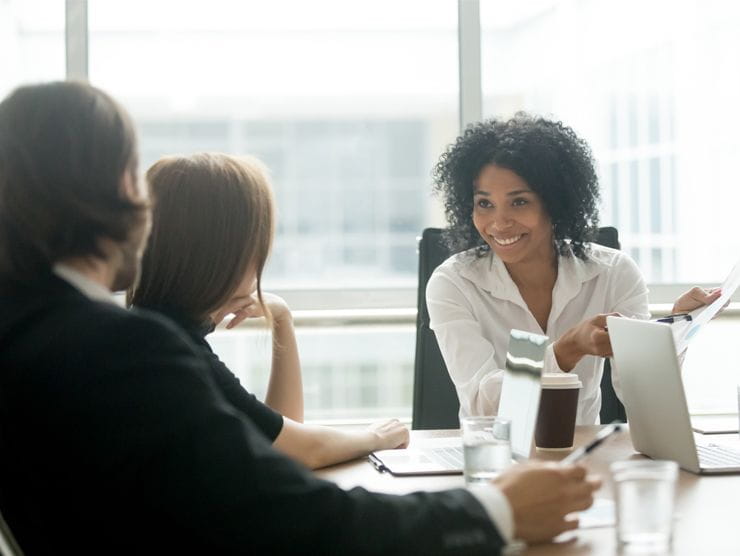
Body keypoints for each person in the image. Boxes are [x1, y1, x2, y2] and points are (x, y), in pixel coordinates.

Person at [0, 82, 599, 554]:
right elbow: (290, 515)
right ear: (117, 191)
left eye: (521, 201)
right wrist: (495, 511)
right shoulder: (119, 349)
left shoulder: (33, 335)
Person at [427, 113, 719, 424]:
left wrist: (676, 328)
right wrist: (566, 350)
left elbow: (646, 402)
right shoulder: (453, 282)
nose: (499, 223)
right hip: (493, 461)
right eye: (485, 204)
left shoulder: (613, 273)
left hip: (583, 460)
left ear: (555, 203)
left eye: (519, 202)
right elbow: (483, 406)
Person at [128, 152, 409, 469]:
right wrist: (376, 437)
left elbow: (279, 435)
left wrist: (281, 318)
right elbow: (299, 451)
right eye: (255, 248)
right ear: (222, 254)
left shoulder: (157, 328)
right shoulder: (171, 347)